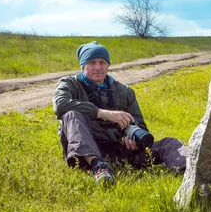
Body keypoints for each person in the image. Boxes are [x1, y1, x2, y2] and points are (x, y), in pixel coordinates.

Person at [53, 41, 188, 186]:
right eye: (92, 62)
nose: (98, 67)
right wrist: (103, 113)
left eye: (102, 62)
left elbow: (140, 125)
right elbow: (60, 106)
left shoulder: (124, 91)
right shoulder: (69, 84)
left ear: (108, 66)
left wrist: (134, 142)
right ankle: (99, 167)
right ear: (83, 66)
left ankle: (189, 171)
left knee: (169, 144)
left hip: (118, 150)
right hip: (86, 151)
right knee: (72, 114)